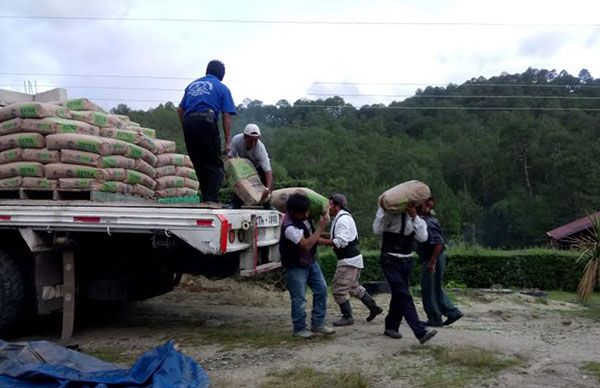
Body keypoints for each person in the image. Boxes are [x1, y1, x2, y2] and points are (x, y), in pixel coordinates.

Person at [372, 202, 437, 344]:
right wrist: (382, 210)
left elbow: (423, 237)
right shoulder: (388, 214)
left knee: (398, 295)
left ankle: (391, 326)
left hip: (406, 260)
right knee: (403, 294)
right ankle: (420, 332)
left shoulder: (415, 218)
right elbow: (376, 230)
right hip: (389, 258)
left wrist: (414, 217)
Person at [177, 60, 236, 203]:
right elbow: (226, 115)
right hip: (206, 120)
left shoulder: (191, 85)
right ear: (222, 75)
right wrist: (228, 143)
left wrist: (186, 125)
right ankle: (212, 200)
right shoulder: (221, 88)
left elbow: (180, 109)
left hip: (189, 122)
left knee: (199, 162)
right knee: (215, 164)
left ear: (207, 71)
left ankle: (206, 198)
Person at [319, 194, 383, 326]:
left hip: (348, 260)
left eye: (330, 204)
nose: (328, 207)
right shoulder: (342, 217)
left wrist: (320, 240)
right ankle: (373, 307)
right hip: (352, 259)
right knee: (353, 287)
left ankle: (347, 316)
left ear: (337, 205)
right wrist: (320, 235)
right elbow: (338, 236)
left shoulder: (342, 220)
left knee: (338, 289)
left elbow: (341, 241)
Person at [279, 193, 335, 339]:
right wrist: (321, 228)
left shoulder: (304, 217)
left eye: (307, 211)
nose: (306, 214)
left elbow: (312, 237)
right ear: (292, 211)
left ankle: (318, 324)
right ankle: (299, 329)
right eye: (302, 212)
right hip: (296, 265)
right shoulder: (289, 227)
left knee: (322, 290)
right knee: (299, 298)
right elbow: (306, 244)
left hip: (310, 261)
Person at [416, 197, 463, 327]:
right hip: (433, 257)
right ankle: (452, 312)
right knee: (434, 288)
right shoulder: (425, 221)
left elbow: (438, 244)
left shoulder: (428, 223)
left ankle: (435, 318)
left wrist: (432, 262)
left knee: (428, 289)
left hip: (433, 258)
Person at [227, 123, 273, 208]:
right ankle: (235, 203)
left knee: (266, 181)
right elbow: (230, 157)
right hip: (244, 164)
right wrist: (228, 171)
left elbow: (268, 172)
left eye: (255, 140)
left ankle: (267, 203)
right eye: (250, 140)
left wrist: (268, 189)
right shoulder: (236, 140)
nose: (253, 143)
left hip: (258, 166)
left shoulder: (260, 148)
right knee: (240, 181)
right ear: (245, 136)